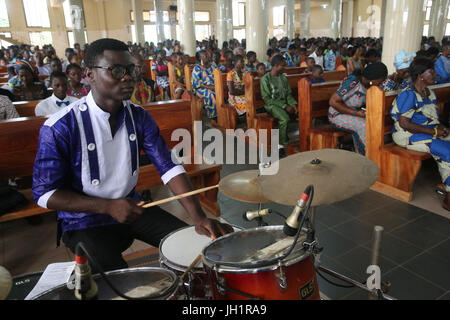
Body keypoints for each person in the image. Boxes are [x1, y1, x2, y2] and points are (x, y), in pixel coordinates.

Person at [31, 38, 233, 274]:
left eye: (130, 70)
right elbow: (44, 194)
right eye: (116, 71)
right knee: (118, 283)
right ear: (89, 75)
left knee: (193, 246)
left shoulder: (139, 116)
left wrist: (199, 218)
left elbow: (169, 167)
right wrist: (108, 207)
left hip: (131, 207)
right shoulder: (61, 126)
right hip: (83, 221)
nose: (126, 77)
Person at [390, 58, 450, 210]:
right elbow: (405, 124)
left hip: (427, 131)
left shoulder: (430, 93)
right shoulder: (408, 95)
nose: (435, 74)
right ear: (420, 76)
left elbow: (433, 118)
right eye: (431, 71)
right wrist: (434, 132)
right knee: (447, 152)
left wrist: (442, 128)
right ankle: (449, 197)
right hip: (406, 135)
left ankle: (446, 184)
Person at [328, 62, 388, 155]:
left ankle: (374, 153)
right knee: (364, 126)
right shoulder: (353, 82)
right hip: (337, 115)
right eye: (380, 81)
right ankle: (366, 157)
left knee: (374, 123)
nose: (381, 84)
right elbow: (333, 102)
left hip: (353, 114)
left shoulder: (369, 85)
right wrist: (356, 113)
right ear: (372, 78)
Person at [260, 55, 298, 153]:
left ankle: (291, 140)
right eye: (282, 66)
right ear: (276, 66)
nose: (284, 68)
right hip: (271, 105)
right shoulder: (265, 79)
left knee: (300, 112)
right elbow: (267, 98)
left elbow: (288, 94)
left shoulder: (283, 78)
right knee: (284, 119)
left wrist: (293, 104)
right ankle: (282, 144)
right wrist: (285, 106)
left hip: (284, 103)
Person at [192, 50, 217, 119]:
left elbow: (218, 75)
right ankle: (213, 116)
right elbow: (197, 83)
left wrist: (216, 86)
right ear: (200, 59)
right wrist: (211, 87)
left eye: (208, 54)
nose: (208, 56)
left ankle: (223, 113)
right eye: (205, 56)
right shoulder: (197, 68)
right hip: (202, 88)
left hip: (215, 86)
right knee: (211, 94)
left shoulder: (213, 65)